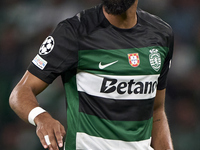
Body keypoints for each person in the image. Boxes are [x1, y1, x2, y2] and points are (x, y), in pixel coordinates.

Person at [9, 0, 174, 149]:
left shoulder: (161, 34)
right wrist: (40, 117)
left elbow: (156, 110)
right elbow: (20, 91)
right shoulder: (74, 32)